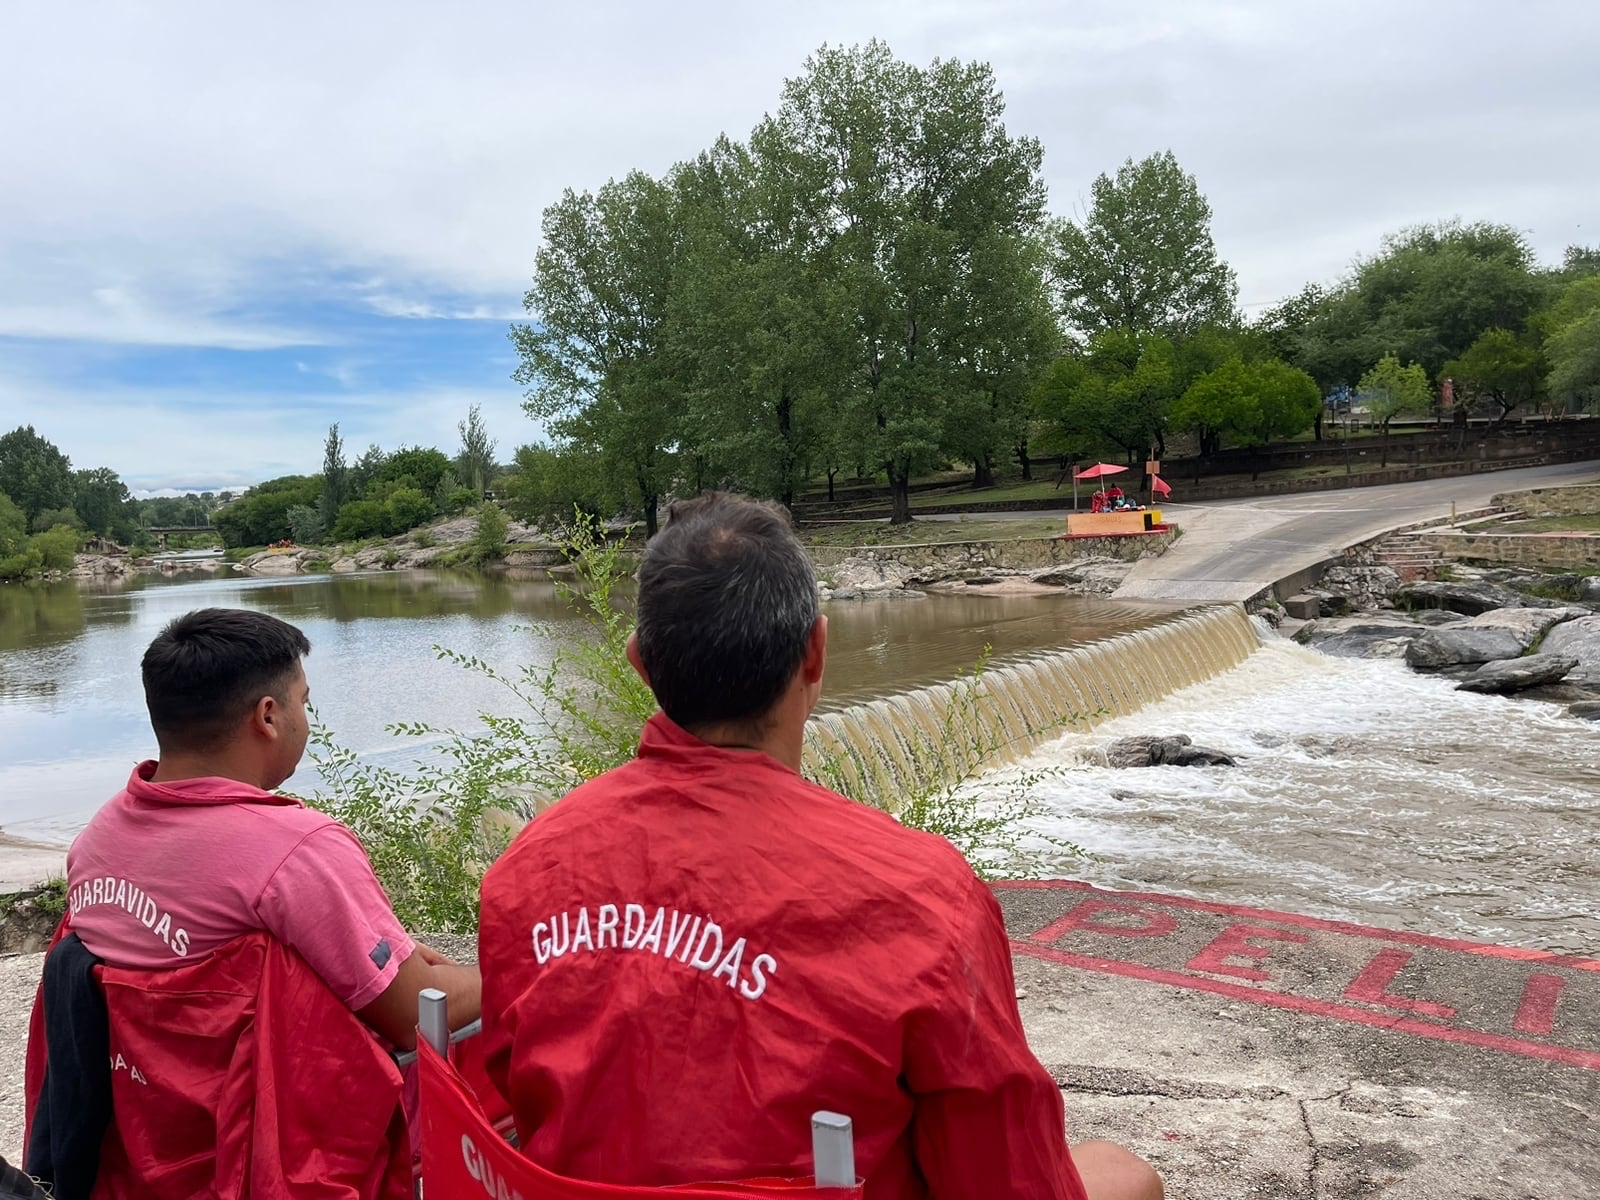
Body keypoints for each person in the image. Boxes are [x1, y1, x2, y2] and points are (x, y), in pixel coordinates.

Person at [478, 494, 1163, 1200]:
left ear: (640, 664)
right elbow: (1006, 1177)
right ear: (817, 652)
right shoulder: (922, 898)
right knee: (1126, 1175)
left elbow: (514, 1098)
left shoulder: (524, 871)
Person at [64, 608, 480, 1050]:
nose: (304, 718)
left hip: (145, 1100)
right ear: (267, 716)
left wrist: (379, 949)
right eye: (302, 701)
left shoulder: (97, 838)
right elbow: (415, 1013)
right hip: (276, 1109)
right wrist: (516, 969)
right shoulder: (296, 849)